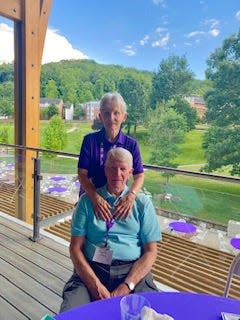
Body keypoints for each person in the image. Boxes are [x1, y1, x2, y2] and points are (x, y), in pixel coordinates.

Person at [60, 148, 161, 312]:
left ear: (130, 172)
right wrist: (95, 285)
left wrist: (128, 285)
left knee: (150, 314)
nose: (117, 174)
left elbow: (151, 252)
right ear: (105, 170)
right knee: (71, 312)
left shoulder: (142, 204)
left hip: (132, 271)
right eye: (112, 168)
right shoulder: (87, 202)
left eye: (122, 169)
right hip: (92, 270)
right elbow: (75, 248)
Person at [78, 92, 144, 221]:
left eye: (116, 113)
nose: (111, 118)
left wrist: (131, 196)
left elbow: (139, 176)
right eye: (106, 113)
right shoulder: (89, 141)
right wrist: (95, 198)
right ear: (100, 116)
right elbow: (81, 174)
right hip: (91, 200)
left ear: (124, 117)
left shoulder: (131, 144)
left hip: (118, 202)